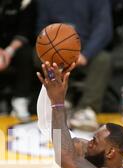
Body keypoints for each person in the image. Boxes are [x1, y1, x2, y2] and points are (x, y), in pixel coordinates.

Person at [37, 0, 113, 131]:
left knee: (104, 59)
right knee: (42, 58)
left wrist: (85, 54)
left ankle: (87, 110)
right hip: (54, 50)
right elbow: (40, 29)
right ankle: (59, 104)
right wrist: (54, 51)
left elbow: (104, 29)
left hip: (86, 49)